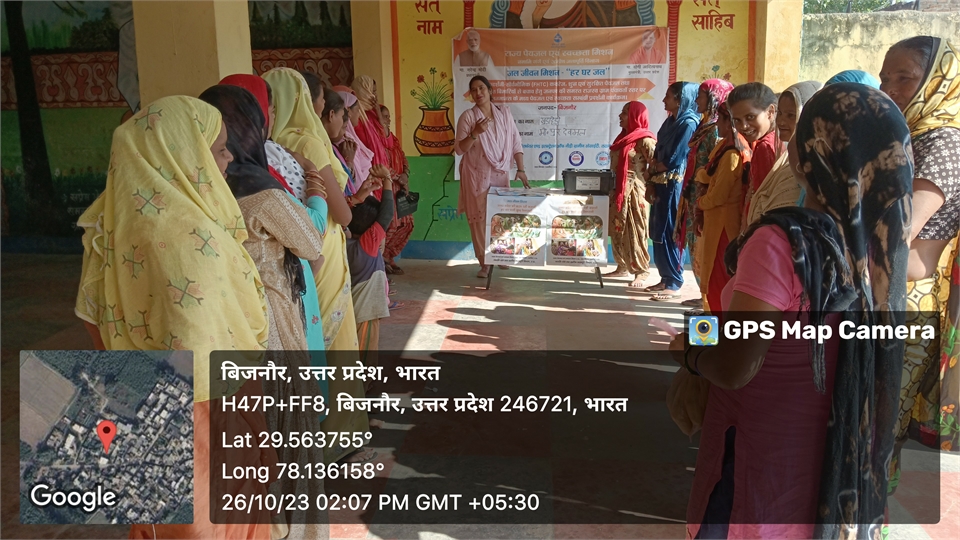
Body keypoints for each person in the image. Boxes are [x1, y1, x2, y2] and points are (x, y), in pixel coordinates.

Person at [672, 83, 912, 539]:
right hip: (828, 454)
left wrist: (686, 349)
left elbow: (737, 365)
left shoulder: (781, 243)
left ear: (806, 158)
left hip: (757, 446)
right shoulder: (883, 252)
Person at [75, 96, 273, 540]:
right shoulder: (196, 240)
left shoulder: (109, 228)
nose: (228, 158)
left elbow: (94, 324)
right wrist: (258, 436)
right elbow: (215, 359)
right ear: (185, 155)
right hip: (202, 423)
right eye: (218, 148)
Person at [198, 82, 330, 540]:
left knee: (255, 441)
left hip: (230, 331)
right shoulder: (262, 192)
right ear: (252, 130)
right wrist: (313, 187)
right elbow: (311, 241)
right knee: (290, 440)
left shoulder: (202, 192)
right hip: (274, 323)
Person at [262, 67, 374, 464]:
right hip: (319, 242)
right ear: (305, 101)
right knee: (336, 342)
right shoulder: (310, 141)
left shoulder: (269, 144)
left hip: (292, 252)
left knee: (307, 339)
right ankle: (340, 435)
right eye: (323, 100)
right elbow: (342, 214)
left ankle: (304, 433)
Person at [880, 36, 960, 479]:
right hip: (888, 292)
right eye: (884, 78)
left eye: (905, 78)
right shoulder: (910, 135)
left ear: (938, 81)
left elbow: (899, 229)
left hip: (908, 303)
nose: (890, 89)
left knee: (882, 421)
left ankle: (869, 508)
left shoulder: (944, 142)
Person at [455, 75, 529, 279]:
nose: (478, 93)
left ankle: (500, 255)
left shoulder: (504, 114)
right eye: (474, 90)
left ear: (490, 91)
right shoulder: (468, 117)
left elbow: (516, 142)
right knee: (479, 221)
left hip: (500, 174)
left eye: (481, 88)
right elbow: (460, 149)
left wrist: (521, 169)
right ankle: (484, 263)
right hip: (476, 176)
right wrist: (475, 133)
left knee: (500, 218)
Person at [676, 78, 733, 307]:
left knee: (704, 248)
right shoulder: (703, 127)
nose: (697, 100)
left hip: (707, 199)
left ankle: (709, 300)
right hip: (694, 195)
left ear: (714, 98)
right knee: (695, 246)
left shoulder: (717, 131)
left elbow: (715, 169)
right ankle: (704, 296)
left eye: (701, 96)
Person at [645, 81, 699, 300]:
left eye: (668, 96)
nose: (663, 100)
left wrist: (654, 169)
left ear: (680, 99)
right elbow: (658, 151)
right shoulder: (670, 122)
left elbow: (675, 158)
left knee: (671, 230)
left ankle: (674, 281)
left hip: (673, 184)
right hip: (660, 181)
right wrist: (652, 175)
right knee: (658, 229)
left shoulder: (689, 124)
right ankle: (665, 277)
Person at [744, 80, 822, 227]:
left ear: (806, 117)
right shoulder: (787, 157)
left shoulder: (804, 168)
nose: (781, 121)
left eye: (791, 115)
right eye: (780, 113)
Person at [695, 102, 748, 313]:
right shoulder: (724, 147)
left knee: (718, 281)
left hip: (723, 228)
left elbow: (718, 196)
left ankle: (720, 328)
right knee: (713, 278)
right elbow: (710, 175)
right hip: (716, 222)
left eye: (721, 120)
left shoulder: (732, 154)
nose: (717, 125)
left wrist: (700, 202)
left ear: (729, 123)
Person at [347, 178, 395, 381]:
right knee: (365, 354)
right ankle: (364, 388)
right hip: (365, 314)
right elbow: (386, 214)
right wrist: (387, 181)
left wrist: (357, 198)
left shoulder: (342, 239)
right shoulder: (367, 244)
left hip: (351, 311)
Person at [605, 101, 656, 289]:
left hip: (635, 193)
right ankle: (622, 266)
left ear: (635, 116)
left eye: (625, 113)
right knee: (617, 229)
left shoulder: (645, 140)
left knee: (635, 231)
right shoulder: (622, 139)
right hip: (617, 191)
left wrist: (645, 181)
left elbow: (656, 165)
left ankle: (641, 270)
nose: (620, 116)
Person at [727, 82, 783, 226]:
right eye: (737, 120)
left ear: (770, 112)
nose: (744, 126)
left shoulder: (765, 147)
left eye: (750, 117)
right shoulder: (778, 139)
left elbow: (763, 200)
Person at [381, 104, 416, 275]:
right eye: (384, 116)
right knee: (391, 224)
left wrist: (405, 175)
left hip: (400, 188)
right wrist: (397, 177)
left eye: (389, 116)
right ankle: (381, 259)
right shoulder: (376, 140)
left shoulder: (393, 139)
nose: (388, 120)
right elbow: (380, 163)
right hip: (386, 186)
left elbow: (403, 157)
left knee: (407, 224)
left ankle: (388, 256)